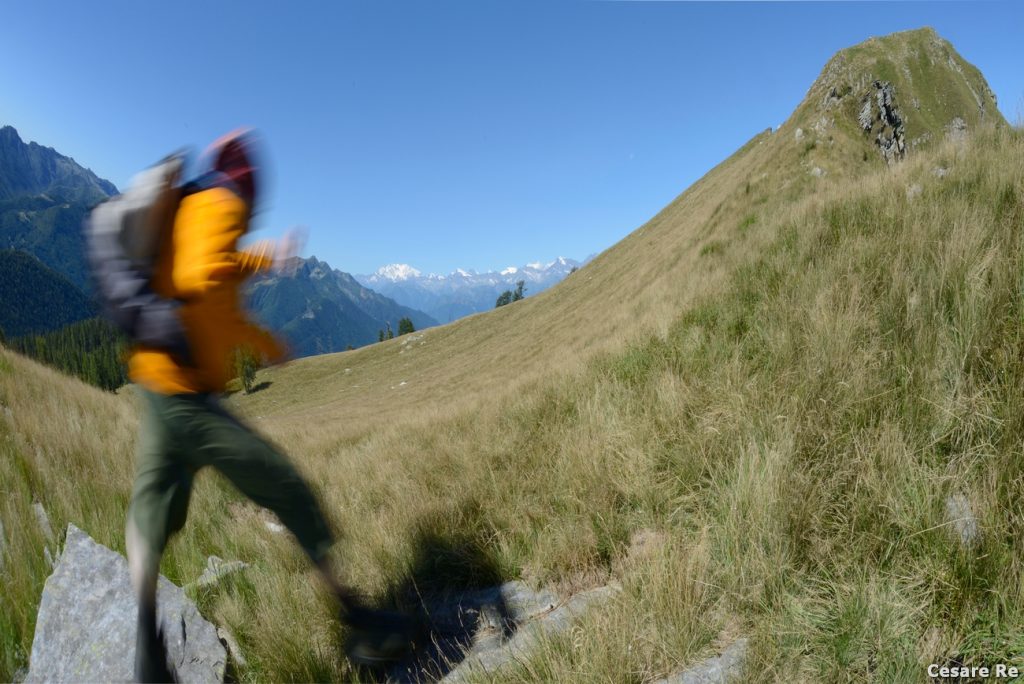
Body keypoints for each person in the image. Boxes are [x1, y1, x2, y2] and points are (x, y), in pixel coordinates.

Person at [124, 129, 412, 682]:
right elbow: (204, 275)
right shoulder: (226, 206)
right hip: (191, 398)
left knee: (151, 509)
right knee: (285, 486)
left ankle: (146, 651)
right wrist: (264, 343)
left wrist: (266, 258)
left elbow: (216, 259)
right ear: (248, 190)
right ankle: (361, 625)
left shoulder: (191, 205)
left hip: (156, 387)